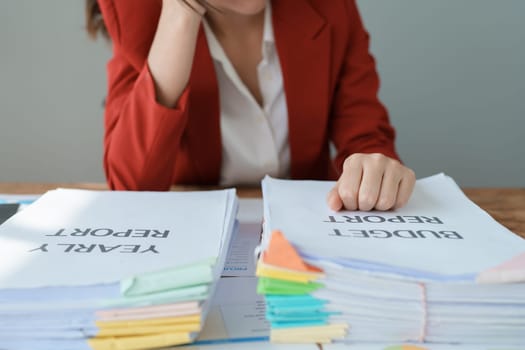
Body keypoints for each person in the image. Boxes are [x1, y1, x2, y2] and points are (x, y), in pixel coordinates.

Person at [86, 0, 416, 211]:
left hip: (307, 228)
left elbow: (367, 140)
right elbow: (130, 190)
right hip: (196, 230)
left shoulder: (330, 8)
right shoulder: (137, 16)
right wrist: (178, 15)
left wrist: (374, 171)